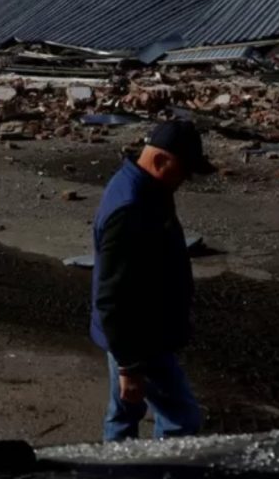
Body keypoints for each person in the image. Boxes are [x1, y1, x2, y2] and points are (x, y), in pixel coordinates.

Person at [90, 120, 214, 441]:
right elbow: (112, 294)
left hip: (134, 333)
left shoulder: (146, 188)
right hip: (141, 336)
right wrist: (130, 366)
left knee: (125, 412)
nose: (184, 180)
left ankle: (116, 470)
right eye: (183, 171)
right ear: (160, 160)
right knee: (181, 418)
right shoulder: (132, 207)